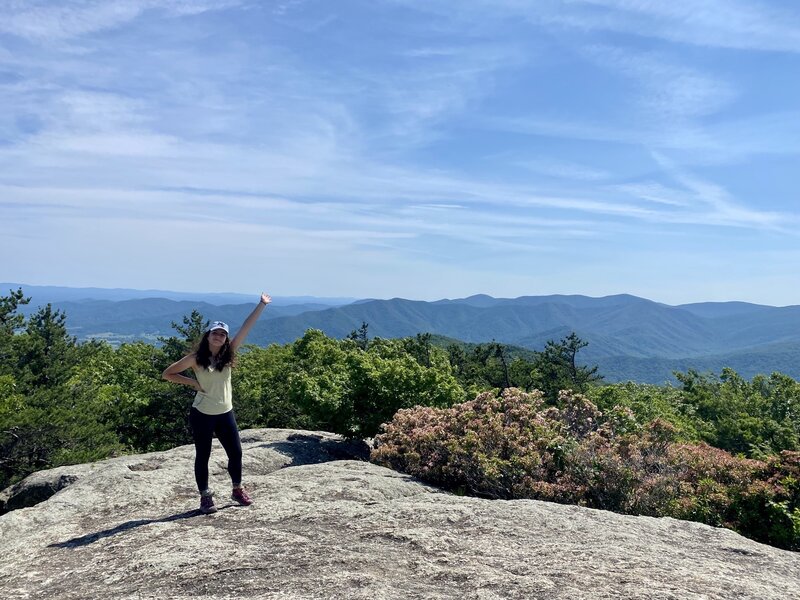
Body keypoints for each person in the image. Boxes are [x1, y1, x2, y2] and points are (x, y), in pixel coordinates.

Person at [162, 292, 271, 514]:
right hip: (202, 413)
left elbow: (246, 328)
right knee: (203, 456)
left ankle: (237, 489)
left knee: (236, 453)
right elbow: (168, 373)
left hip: (225, 412)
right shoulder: (195, 358)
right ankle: (205, 496)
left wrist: (261, 304)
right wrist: (192, 382)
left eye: (222, 334)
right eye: (215, 333)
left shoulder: (228, 354)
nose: (218, 336)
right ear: (208, 335)